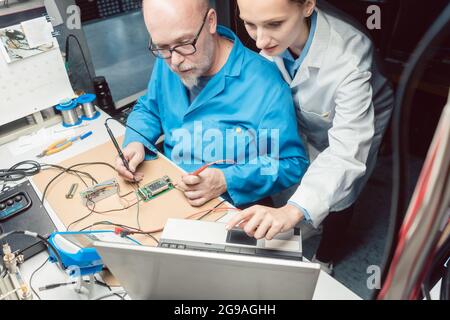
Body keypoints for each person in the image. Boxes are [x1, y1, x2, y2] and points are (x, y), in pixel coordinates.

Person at [227, 0, 394, 273]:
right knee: (303, 161)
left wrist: (292, 212)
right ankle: (310, 215)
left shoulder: (349, 56)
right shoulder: (272, 41)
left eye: (274, 24)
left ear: (307, 6)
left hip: (365, 116)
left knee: (344, 190)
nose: (259, 41)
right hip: (310, 114)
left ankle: (326, 257)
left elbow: (345, 153)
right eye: (250, 24)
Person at [115, 0, 309, 208]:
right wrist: (136, 141)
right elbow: (149, 109)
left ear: (210, 22)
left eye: (185, 43)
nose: (175, 61)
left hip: (231, 208)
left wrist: (227, 180)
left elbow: (289, 163)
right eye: (162, 47)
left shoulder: (264, 84)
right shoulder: (169, 57)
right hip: (169, 191)